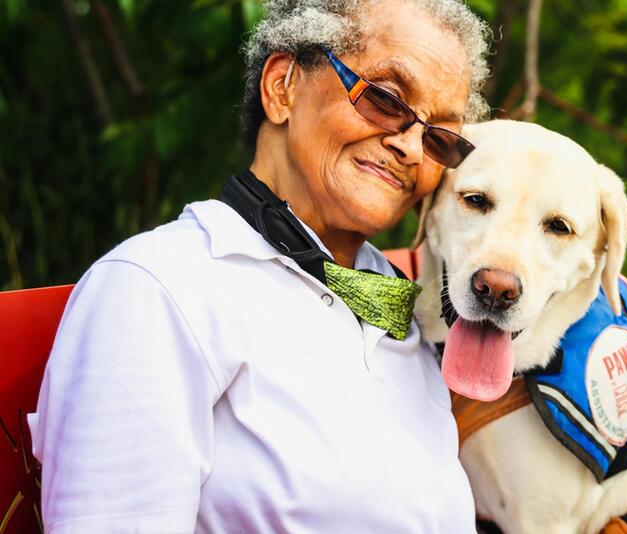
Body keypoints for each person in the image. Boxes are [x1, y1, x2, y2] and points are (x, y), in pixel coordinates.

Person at [27, 0, 491, 531]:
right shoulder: (159, 287)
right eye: (385, 99)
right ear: (282, 87)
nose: (411, 146)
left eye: (440, 137)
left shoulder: (400, 303)